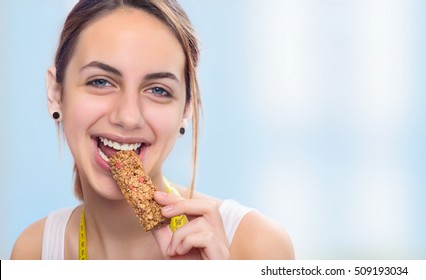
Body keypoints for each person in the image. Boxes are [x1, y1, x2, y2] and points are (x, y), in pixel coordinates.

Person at [11, 0, 294, 260]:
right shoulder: (35, 251)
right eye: (100, 82)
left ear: (186, 108)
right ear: (56, 93)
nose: (128, 116)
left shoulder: (256, 245)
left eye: (158, 90)